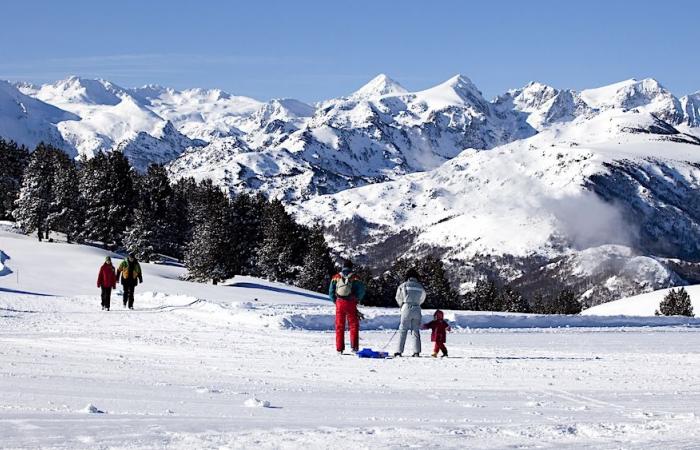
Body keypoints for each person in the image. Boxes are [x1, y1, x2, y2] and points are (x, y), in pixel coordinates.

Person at [328, 259, 366, 354]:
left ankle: (339, 349)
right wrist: (356, 300)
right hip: (351, 302)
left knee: (339, 326)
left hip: (339, 302)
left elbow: (331, 292)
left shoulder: (336, 277)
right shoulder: (355, 277)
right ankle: (354, 347)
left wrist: (336, 301)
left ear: (342, 267)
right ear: (351, 267)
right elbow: (361, 291)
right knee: (353, 325)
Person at [394, 268, 426, 357]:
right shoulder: (420, 287)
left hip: (406, 308)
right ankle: (416, 352)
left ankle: (399, 351)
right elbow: (423, 297)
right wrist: (417, 303)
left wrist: (402, 305)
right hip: (417, 308)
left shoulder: (403, 285)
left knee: (403, 330)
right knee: (415, 331)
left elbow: (398, 297)